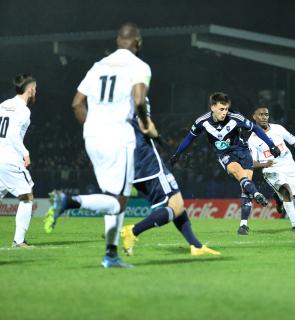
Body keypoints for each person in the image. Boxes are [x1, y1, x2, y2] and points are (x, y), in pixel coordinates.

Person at [45, 22, 152, 268]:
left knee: (111, 197)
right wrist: (145, 124)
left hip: (92, 136)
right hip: (118, 136)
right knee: (119, 201)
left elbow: (76, 103)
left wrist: (92, 128)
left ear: (117, 41)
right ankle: (68, 202)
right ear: (138, 42)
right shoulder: (139, 66)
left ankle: (111, 254)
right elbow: (138, 100)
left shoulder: (98, 66)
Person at [169, 92, 281, 235]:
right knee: (240, 175)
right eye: (221, 109)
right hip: (225, 154)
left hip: (243, 151)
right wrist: (177, 154)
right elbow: (188, 139)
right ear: (213, 107)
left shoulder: (235, 118)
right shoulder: (201, 122)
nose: (224, 112)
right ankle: (257, 193)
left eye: (226, 109)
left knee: (245, 188)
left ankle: (243, 225)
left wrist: (271, 145)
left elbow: (256, 128)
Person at [120, 99, 220, 256]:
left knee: (176, 202)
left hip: (123, 160)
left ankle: (196, 246)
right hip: (145, 160)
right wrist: (160, 139)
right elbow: (146, 126)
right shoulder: (138, 97)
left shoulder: (110, 102)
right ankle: (133, 230)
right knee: (176, 204)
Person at [248, 105, 295, 232]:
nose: (264, 117)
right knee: (286, 190)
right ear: (254, 117)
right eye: (261, 115)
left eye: (266, 114)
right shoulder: (252, 139)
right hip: (271, 170)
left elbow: (294, 141)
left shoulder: (278, 128)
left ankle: (278, 197)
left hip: (289, 169)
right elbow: (251, 162)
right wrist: (264, 165)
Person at [0, 74, 37, 247]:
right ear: (29, 90)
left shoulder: (4, 105)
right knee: (26, 196)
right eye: (35, 88)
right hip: (9, 160)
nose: (35, 91)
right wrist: (25, 153)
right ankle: (19, 240)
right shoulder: (23, 110)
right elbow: (14, 134)